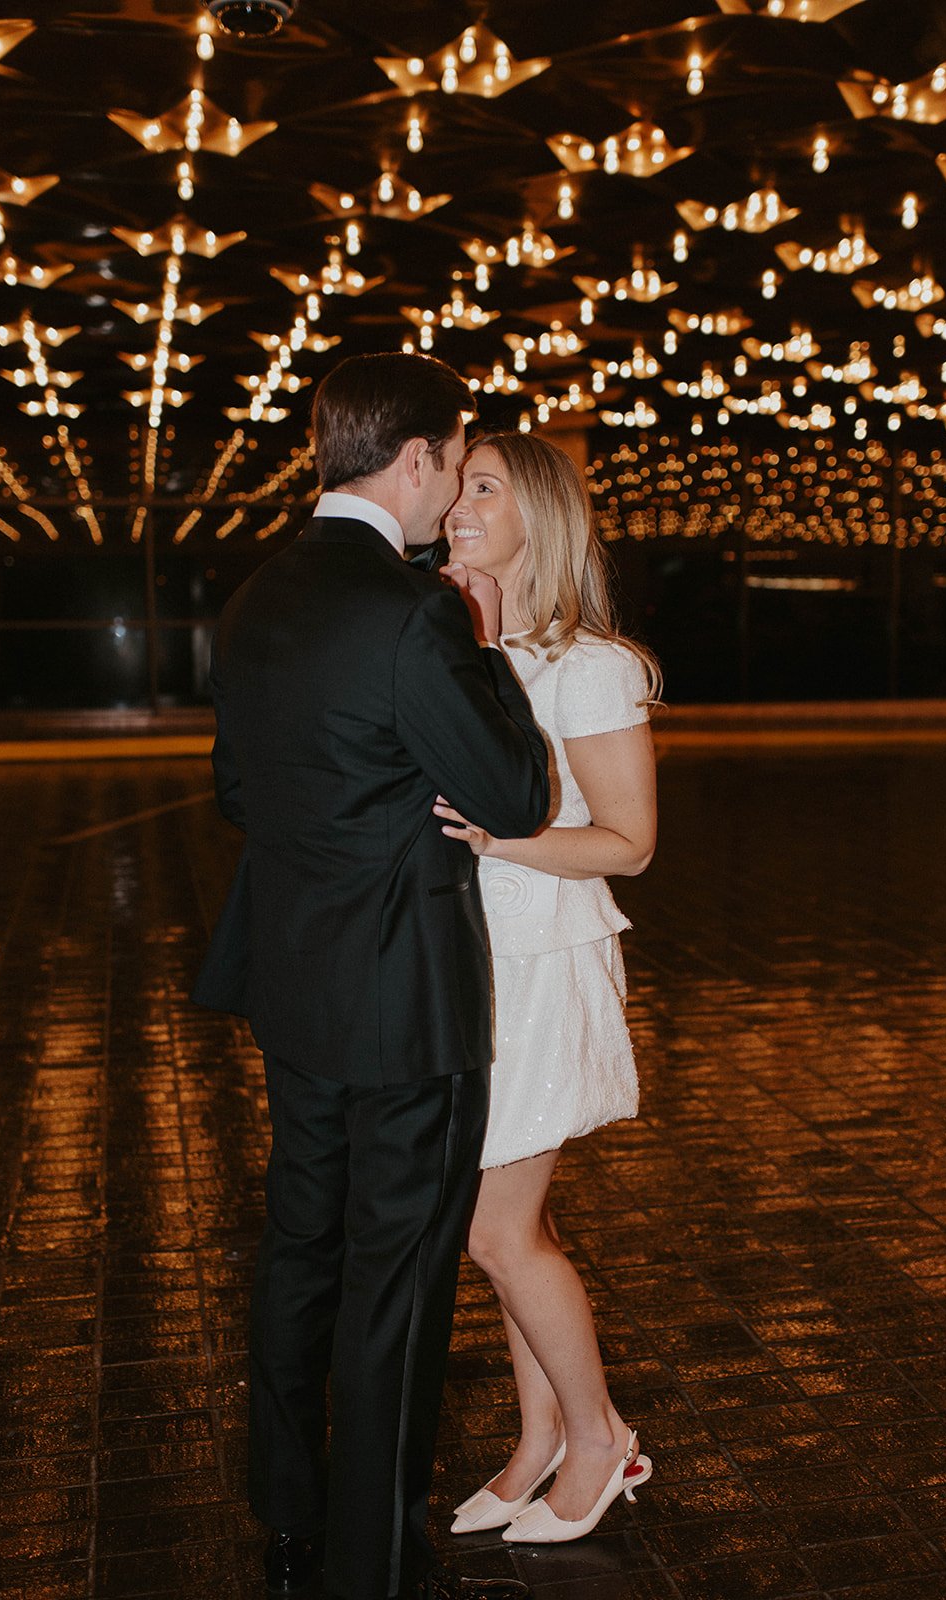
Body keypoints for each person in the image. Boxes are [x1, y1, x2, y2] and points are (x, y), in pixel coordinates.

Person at [192, 355, 550, 1600]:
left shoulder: (252, 600)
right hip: (407, 999)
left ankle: (289, 1516)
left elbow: (239, 789)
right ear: (413, 459)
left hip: (294, 983)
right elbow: (513, 793)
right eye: (453, 458)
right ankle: (372, 1559)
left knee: (301, 1248)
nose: (453, 483)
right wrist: (489, 654)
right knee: (393, 1283)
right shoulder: (414, 613)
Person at [434, 432, 660, 1545]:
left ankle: (598, 1438)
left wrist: (504, 837)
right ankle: (539, 1443)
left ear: (540, 517)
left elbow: (629, 842)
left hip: (545, 962)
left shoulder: (592, 664)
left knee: (496, 1229)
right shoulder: (469, 649)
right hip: (472, 963)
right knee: (511, 1223)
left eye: (484, 487)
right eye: (459, 484)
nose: (456, 502)